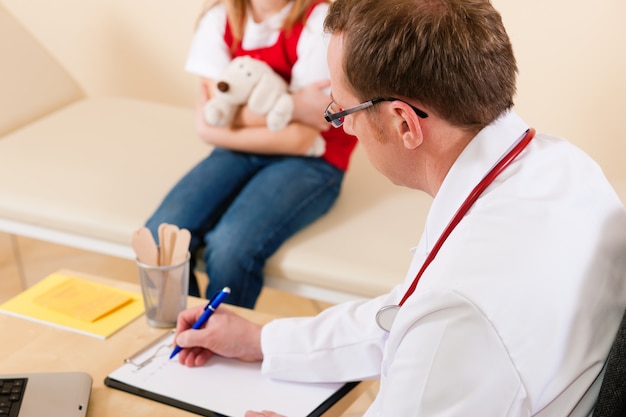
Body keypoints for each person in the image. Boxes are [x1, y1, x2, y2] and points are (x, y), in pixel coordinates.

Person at [171, 0, 626, 415]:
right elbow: (407, 315)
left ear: (404, 122)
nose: (345, 129)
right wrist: (262, 340)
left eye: (341, 110)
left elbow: (441, 322)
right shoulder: (565, 166)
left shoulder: (460, 311)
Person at [145, 0, 357, 308]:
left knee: (230, 248)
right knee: (161, 237)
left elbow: (300, 139)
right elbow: (217, 113)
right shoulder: (218, 20)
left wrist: (218, 128)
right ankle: (175, 333)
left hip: (313, 159)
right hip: (238, 149)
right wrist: (295, 106)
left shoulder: (320, 22)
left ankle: (219, 340)